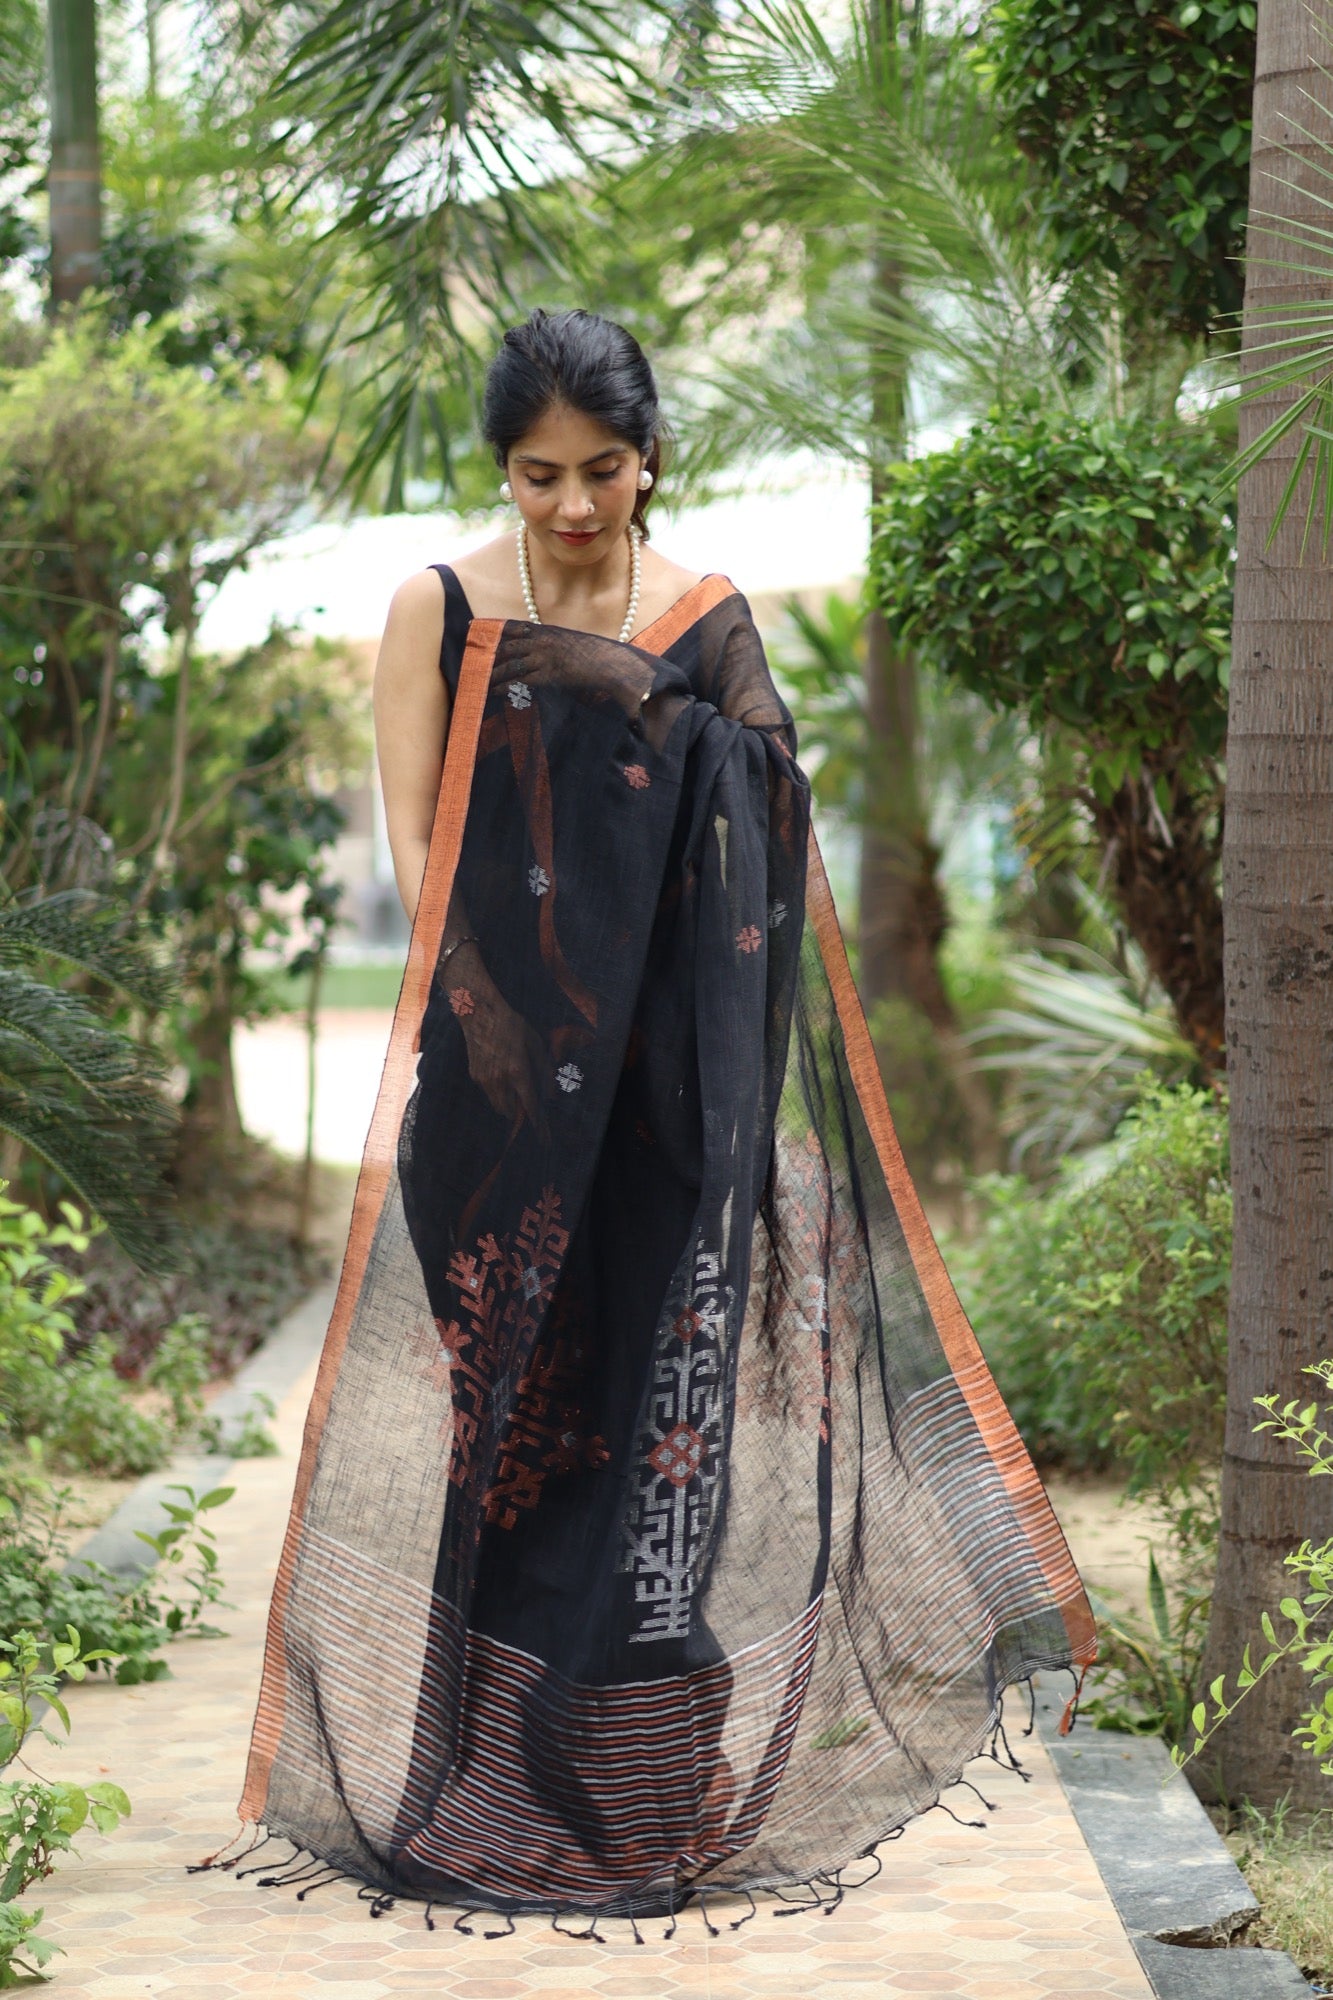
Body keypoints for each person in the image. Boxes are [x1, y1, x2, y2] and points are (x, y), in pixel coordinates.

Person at [231, 309, 1094, 1926]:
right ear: (502, 469)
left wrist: (661, 721)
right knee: (516, 1440)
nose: (573, 504)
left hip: (677, 1111)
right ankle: (495, 1793)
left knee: (661, 1445)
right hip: (494, 1108)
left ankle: (636, 1798)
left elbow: (771, 807)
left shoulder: (705, 618)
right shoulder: (437, 610)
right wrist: (499, 1023)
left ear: (650, 458)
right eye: (538, 474)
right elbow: (423, 855)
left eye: (604, 469)